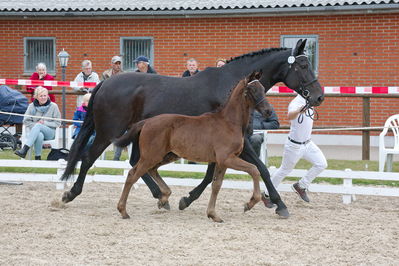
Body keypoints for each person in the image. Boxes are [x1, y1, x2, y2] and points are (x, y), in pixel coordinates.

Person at [262, 94, 327, 207]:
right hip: (294, 146)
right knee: (284, 170)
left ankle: (301, 186)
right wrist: (298, 111)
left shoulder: (310, 100)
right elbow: (290, 115)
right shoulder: (295, 103)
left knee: (321, 164)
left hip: (308, 144)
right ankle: (267, 195)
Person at [15, 86, 61, 160]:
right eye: (41, 96)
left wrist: (44, 123)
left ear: (48, 96)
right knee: (39, 135)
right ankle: (38, 157)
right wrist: (36, 125)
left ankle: (25, 149)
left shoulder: (54, 106)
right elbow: (26, 121)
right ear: (36, 97)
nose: (43, 97)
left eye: (45, 95)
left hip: (50, 132)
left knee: (39, 125)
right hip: (35, 132)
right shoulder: (31, 106)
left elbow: (58, 123)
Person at [101, 55, 125, 160]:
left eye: (119, 63)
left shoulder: (124, 76)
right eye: (116, 63)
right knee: (105, 132)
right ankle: (102, 157)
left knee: (120, 133)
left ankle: (116, 158)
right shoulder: (105, 74)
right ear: (112, 64)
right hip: (107, 106)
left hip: (120, 107)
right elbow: (102, 87)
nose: (118, 65)